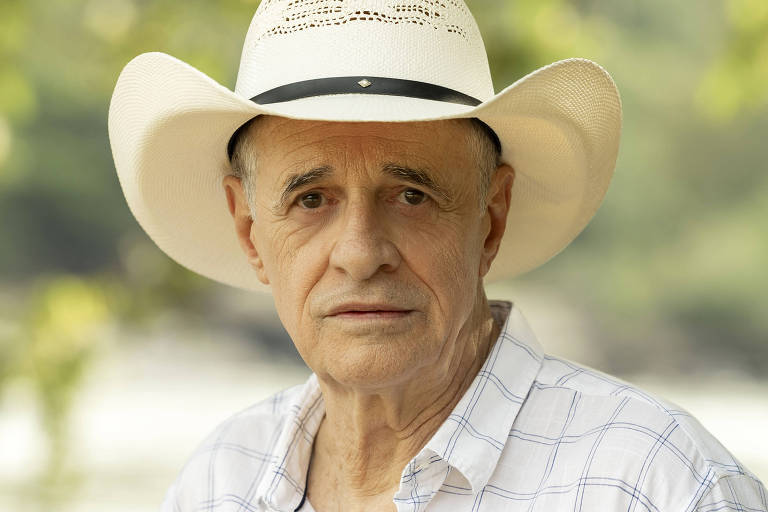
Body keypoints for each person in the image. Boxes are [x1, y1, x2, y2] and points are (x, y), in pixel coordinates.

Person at [107, 1, 767, 511]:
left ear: (491, 218)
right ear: (250, 230)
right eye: (312, 200)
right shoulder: (222, 479)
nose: (361, 254)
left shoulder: (654, 484)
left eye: (411, 195)